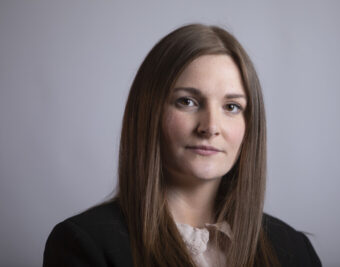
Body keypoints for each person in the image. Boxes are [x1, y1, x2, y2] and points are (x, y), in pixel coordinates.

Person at [43, 24, 321, 267]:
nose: (210, 127)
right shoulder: (84, 244)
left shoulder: (294, 250)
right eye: (187, 101)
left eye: (232, 107)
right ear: (149, 114)